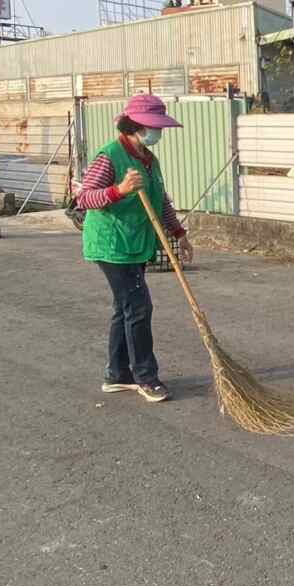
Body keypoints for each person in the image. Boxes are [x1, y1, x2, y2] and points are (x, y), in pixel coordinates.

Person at [78, 94, 192, 403]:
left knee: (124, 308)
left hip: (136, 243)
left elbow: (160, 198)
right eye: (154, 127)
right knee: (139, 307)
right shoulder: (110, 155)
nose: (159, 133)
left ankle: (117, 375)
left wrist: (179, 233)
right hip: (112, 245)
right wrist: (119, 190)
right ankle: (146, 376)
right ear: (137, 125)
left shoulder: (148, 159)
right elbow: (85, 198)